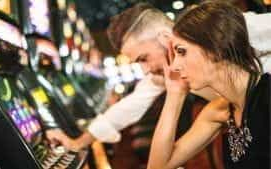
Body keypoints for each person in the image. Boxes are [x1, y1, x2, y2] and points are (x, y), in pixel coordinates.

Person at [54, 3, 271, 152]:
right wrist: (79, 142)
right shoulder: (168, 72)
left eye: (144, 58)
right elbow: (127, 109)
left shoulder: (225, 31)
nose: (146, 69)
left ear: (165, 39)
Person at [147, 1, 270, 169]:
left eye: (181, 51)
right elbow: (158, 166)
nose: (174, 65)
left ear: (216, 48)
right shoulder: (219, 110)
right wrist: (175, 94)